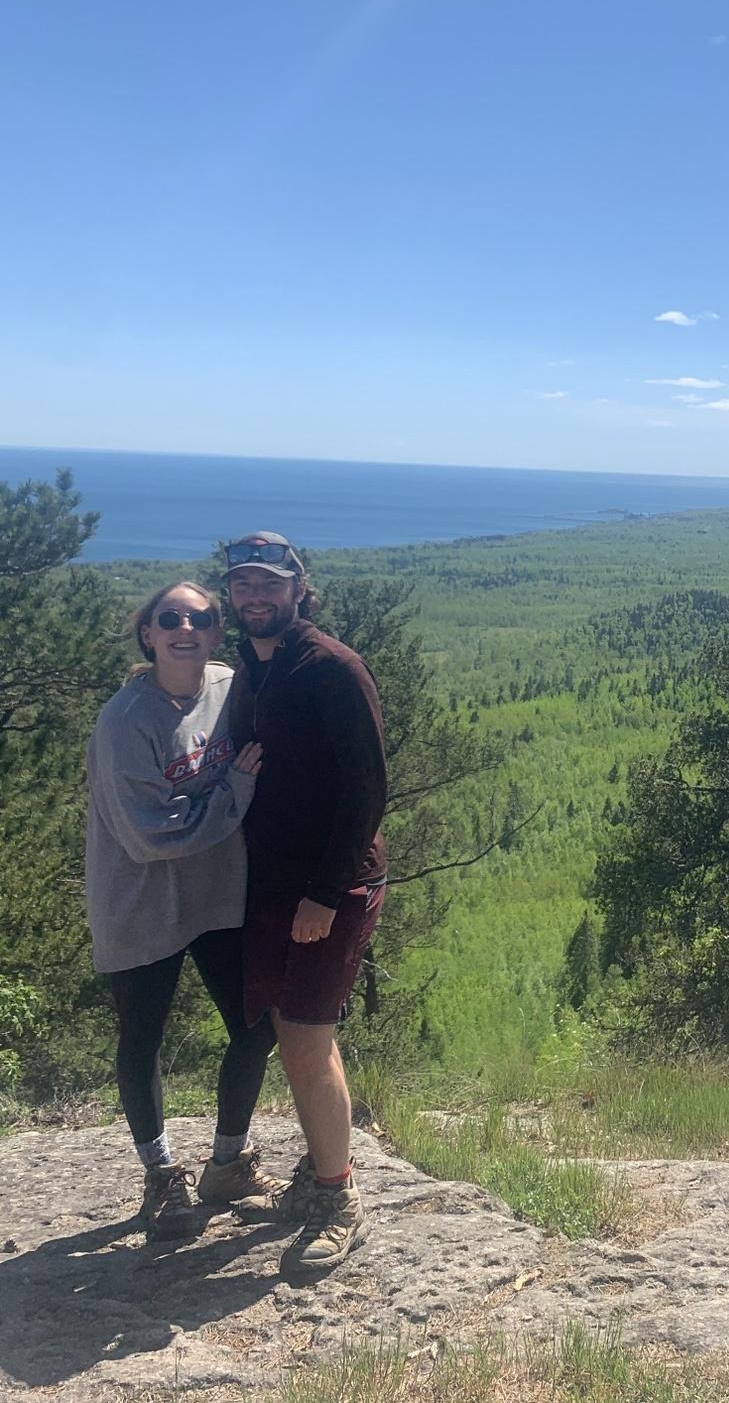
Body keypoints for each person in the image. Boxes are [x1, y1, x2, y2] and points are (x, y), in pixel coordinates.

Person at [85, 581, 283, 1240]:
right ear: (148, 633)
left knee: (257, 1026)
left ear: (214, 632)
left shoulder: (229, 688)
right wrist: (237, 791)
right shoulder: (126, 720)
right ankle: (160, 1174)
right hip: (140, 899)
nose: (185, 628)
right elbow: (151, 836)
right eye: (170, 618)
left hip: (218, 895)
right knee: (142, 1039)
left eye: (200, 618)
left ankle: (226, 1162)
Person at [222, 532, 388, 1277]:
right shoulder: (254, 674)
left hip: (329, 885)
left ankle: (338, 1197)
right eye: (243, 584)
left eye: (270, 583)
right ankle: (318, 1174)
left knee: (305, 1038)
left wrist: (326, 891)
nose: (256, 595)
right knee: (295, 1035)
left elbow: (366, 788)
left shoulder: (331, 668)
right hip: (270, 881)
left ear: (298, 588)